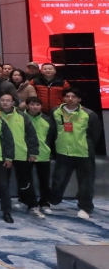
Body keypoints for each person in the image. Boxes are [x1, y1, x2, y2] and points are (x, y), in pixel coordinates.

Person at [49, 88, 101, 219]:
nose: (70, 99)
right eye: (67, 96)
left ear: (79, 99)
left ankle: (85, 207)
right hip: (63, 152)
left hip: (83, 153)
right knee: (58, 179)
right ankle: (53, 201)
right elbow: (52, 131)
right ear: (63, 98)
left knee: (85, 182)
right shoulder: (55, 112)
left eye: (73, 97)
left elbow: (95, 133)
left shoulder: (89, 114)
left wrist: (86, 145)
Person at [0, 93, 41, 218]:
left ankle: (32, 205)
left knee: (25, 182)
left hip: (20, 153)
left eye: (8, 100)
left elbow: (31, 135)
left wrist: (33, 152)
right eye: (2, 100)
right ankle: (4, 204)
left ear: (13, 102)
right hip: (1, 154)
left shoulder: (22, 116)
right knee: (2, 182)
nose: (5, 102)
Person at [24, 97, 56, 214]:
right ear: (27, 105)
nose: (35, 107)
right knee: (27, 181)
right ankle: (30, 203)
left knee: (44, 181)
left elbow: (52, 136)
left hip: (43, 154)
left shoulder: (47, 119)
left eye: (38, 105)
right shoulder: (21, 118)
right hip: (25, 154)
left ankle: (44, 202)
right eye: (32, 104)